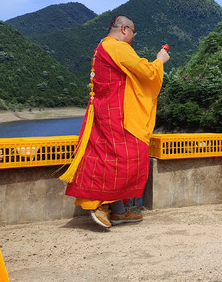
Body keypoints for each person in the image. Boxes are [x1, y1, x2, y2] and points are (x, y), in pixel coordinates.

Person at [60, 15, 170, 229]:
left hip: (105, 111)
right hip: (117, 114)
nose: (133, 38)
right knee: (124, 158)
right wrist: (159, 60)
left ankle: (118, 210)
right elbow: (147, 72)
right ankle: (98, 204)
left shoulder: (102, 46)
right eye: (133, 33)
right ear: (124, 29)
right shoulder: (117, 47)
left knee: (110, 157)